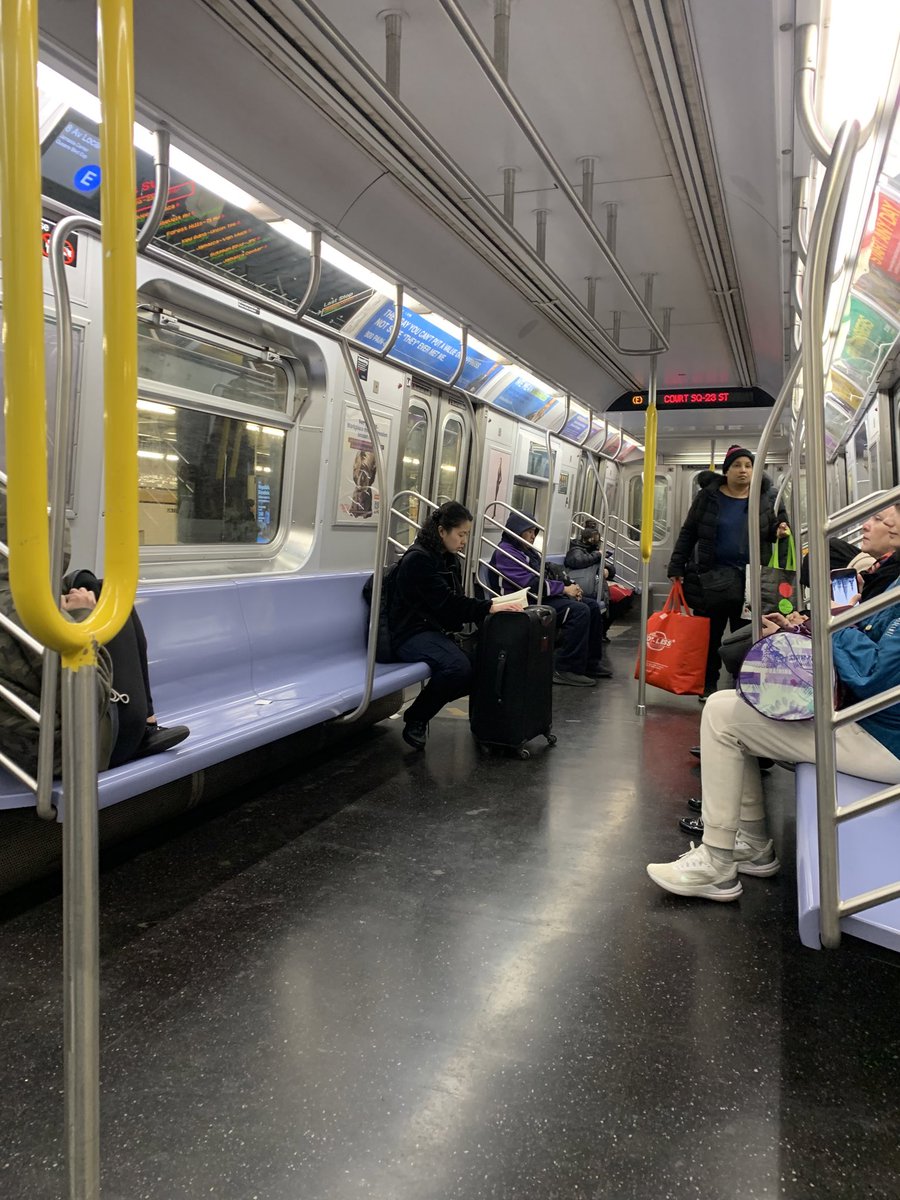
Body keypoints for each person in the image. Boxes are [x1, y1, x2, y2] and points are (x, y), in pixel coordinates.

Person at [647, 517, 900, 901]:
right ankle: (748, 842)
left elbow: (873, 673)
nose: (869, 522)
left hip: (882, 737)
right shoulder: (887, 580)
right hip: (867, 720)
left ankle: (719, 861)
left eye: (883, 518)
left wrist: (837, 621)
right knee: (725, 707)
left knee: (723, 717)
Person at [0, 487, 189, 779]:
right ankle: (144, 728)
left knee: (85, 581)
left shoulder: (12, 599)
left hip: (25, 745)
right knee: (114, 596)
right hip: (74, 752)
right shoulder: (27, 611)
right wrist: (81, 615)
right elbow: (87, 700)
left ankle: (148, 723)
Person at [389, 501, 522, 750]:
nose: (464, 541)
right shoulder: (418, 561)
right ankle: (416, 717)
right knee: (458, 669)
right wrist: (488, 607)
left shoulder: (449, 560)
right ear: (442, 531)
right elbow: (448, 603)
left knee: (481, 666)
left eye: (466, 535)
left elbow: (454, 604)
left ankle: (432, 714)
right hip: (408, 633)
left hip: (432, 630)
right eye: (460, 534)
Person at [667, 446, 788, 701]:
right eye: (737, 465)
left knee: (747, 635)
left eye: (748, 465)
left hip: (752, 579)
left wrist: (780, 531)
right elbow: (689, 532)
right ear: (727, 470)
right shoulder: (708, 497)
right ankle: (707, 684)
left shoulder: (768, 497)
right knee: (709, 635)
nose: (743, 470)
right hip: (713, 577)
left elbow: (778, 526)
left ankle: (741, 684)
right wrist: (676, 567)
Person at [490, 512, 607, 686]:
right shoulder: (506, 553)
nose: (532, 536)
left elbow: (546, 574)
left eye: (533, 532)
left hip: (537, 596)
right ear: (516, 531)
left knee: (591, 606)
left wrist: (571, 586)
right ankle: (565, 668)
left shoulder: (526, 551)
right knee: (579, 611)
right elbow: (531, 584)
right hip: (522, 600)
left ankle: (590, 662)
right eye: (528, 532)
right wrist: (564, 589)